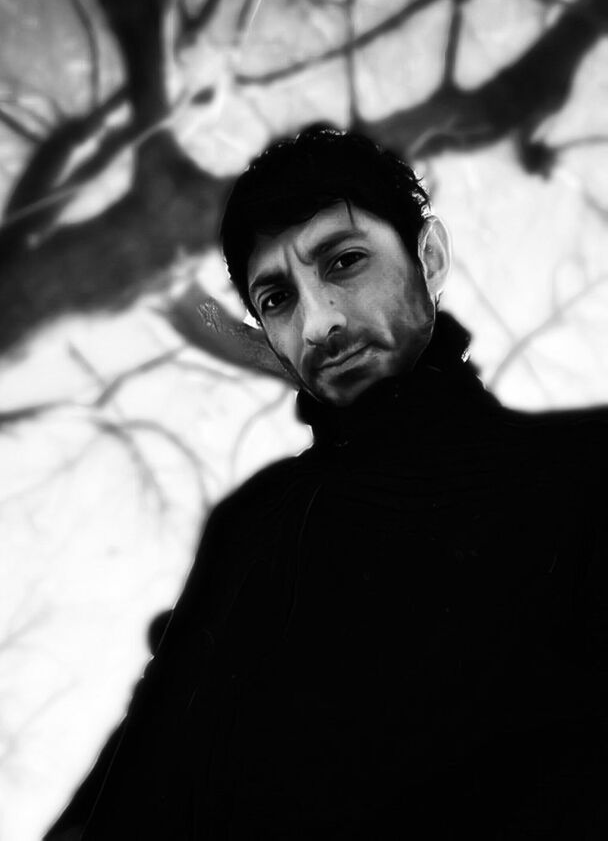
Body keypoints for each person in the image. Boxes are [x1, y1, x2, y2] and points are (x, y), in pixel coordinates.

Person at [45, 127, 608, 839]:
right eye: (277, 298)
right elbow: (139, 787)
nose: (319, 323)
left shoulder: (585, 474)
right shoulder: (255, 524)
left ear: (429, 258)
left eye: (344, 262)